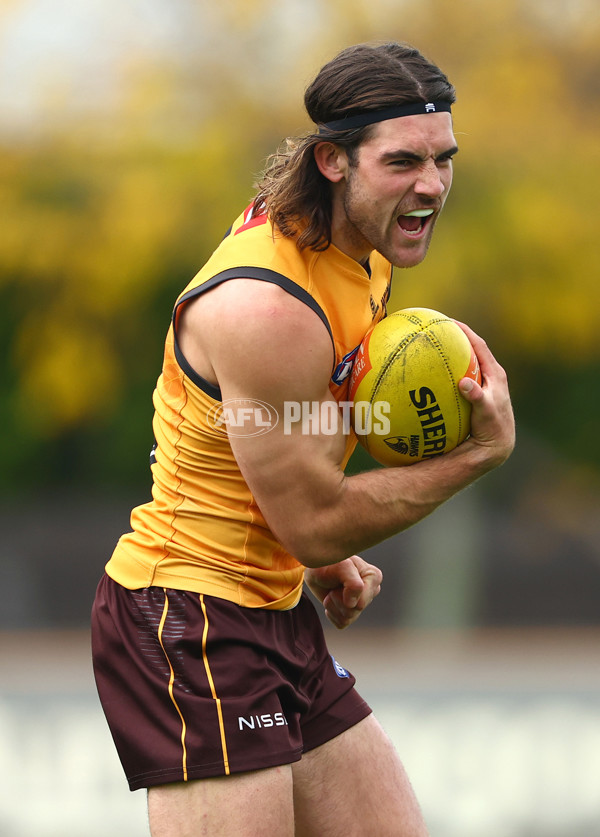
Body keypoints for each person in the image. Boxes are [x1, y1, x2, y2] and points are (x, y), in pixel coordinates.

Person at [91, 41, 515, 836]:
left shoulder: (362, 255)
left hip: (271, 608)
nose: (431, 184)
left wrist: (318, 561)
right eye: (403, 163)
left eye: (444, 159)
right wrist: (476, 455)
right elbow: (312, 515)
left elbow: (283, 431)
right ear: (333, 161)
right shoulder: (269, 308)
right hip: (191, 617)